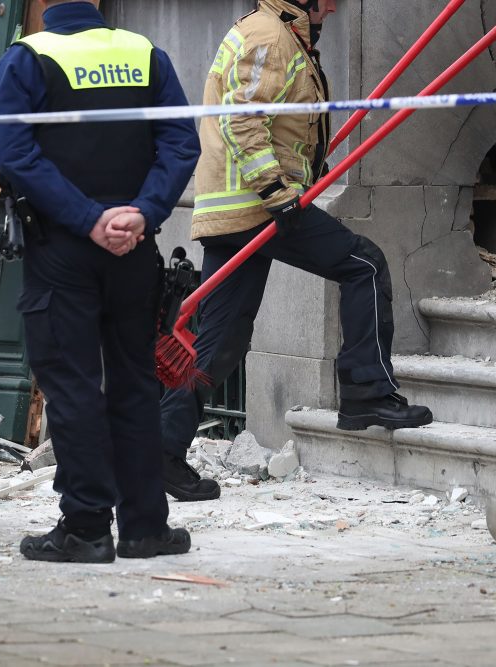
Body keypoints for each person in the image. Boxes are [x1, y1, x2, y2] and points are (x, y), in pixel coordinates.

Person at [160, 0, 434, 502]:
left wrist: (308, 164)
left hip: (235, 210)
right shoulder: (270, 37)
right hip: (259, 206)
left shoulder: (275, 32)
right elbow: (243, 118)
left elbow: (279, 120)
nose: (336, 4)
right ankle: (366, 393)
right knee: (365, 265)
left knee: (218, 345)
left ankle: (161, 454)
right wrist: (276, 190)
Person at [0, 0, 200, 563]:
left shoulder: (27, 58)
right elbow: (181, 142)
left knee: (74, 386)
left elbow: (14, 155)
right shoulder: (144, 53)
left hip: (63, 249)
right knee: (134, 384)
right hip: (135, 248)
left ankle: (85, 527)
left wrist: (88, 219)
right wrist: (142, 211)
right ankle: (145, 526)